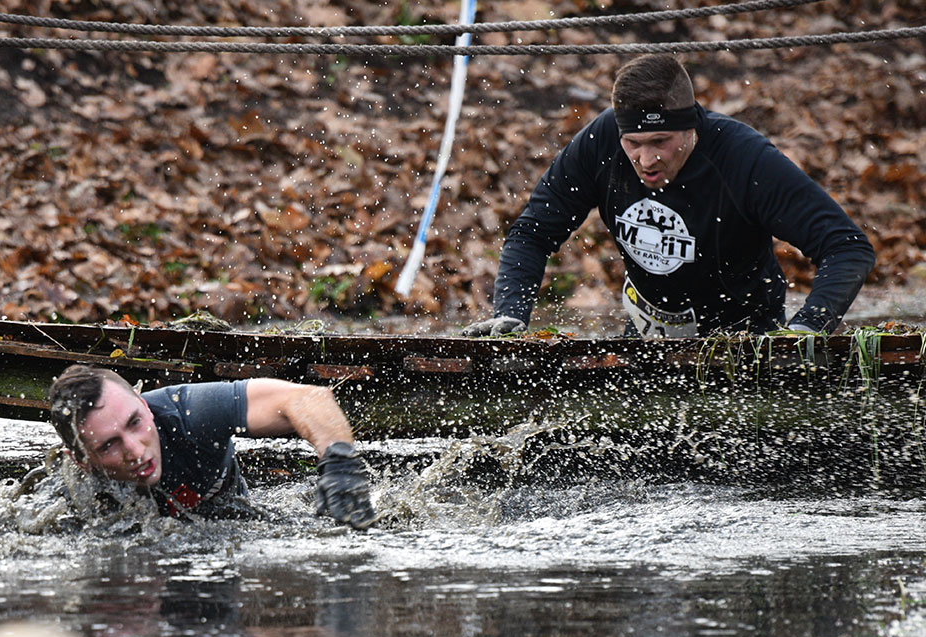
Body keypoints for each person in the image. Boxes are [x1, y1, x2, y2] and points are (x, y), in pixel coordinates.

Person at [463, 55, 875, 338]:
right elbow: (532, 233)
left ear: (690, 126)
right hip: (648, 331)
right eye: (634, 143)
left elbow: (846, 247)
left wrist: (806, 330)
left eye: (661, 140)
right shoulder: (601, 142)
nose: (646, 159)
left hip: (743, 337)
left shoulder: (743, 157)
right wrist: (510, 313)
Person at [47, 364, 376, 529]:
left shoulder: (190, 414)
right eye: (109, 446)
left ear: (144, 405)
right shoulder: (70, 498)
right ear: (82, 461)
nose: (135, 450)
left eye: (135, 423)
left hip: (229, 523)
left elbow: (307, 398)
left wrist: (341, 464)